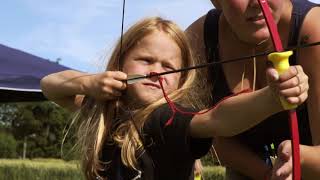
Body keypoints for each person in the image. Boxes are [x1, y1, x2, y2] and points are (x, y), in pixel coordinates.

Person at [41, 17, 308, 180]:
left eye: (169, 67)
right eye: (145, 60)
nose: (156, 71)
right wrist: (89, 83)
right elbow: (49, 86)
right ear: (120, 62)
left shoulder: (168, 117)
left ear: (181, 78)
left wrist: (272, 97)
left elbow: (217, 118)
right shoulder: (104, 108)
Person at [186, 0, 320, 179]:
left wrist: (298, 158)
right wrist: (266, 174)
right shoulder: (198, 38)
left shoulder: (314, 28)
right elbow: (209, 134)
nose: (257, 3)